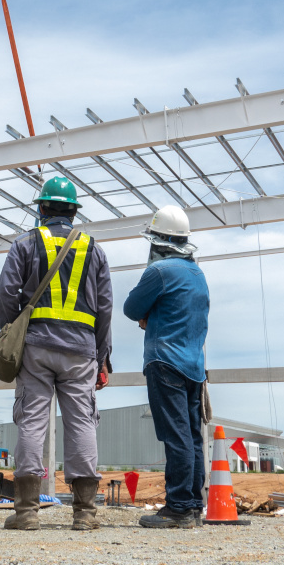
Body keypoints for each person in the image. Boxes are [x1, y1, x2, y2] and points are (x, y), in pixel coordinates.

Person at [0, 176, 112, 532]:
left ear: (42, 208)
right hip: (80, 351)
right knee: (81, 422)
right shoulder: (94, 248)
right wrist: (102, 356)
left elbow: (4, 295)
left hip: (36, 347)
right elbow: (104, 307)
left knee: (31, 421)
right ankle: (85, 513)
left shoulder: (25, 244)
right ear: (74, 211)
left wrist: (14, 331)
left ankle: (27, 512)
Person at [123, 205, 210, 529]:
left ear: (158, 241)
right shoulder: (197, 273)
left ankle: (178, 508)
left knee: (176, 438)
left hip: (165, 362)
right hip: (193, 366)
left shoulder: (159, 272)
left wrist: (149, 314)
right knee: (191, 436)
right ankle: (193, 505)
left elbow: (131, 308)